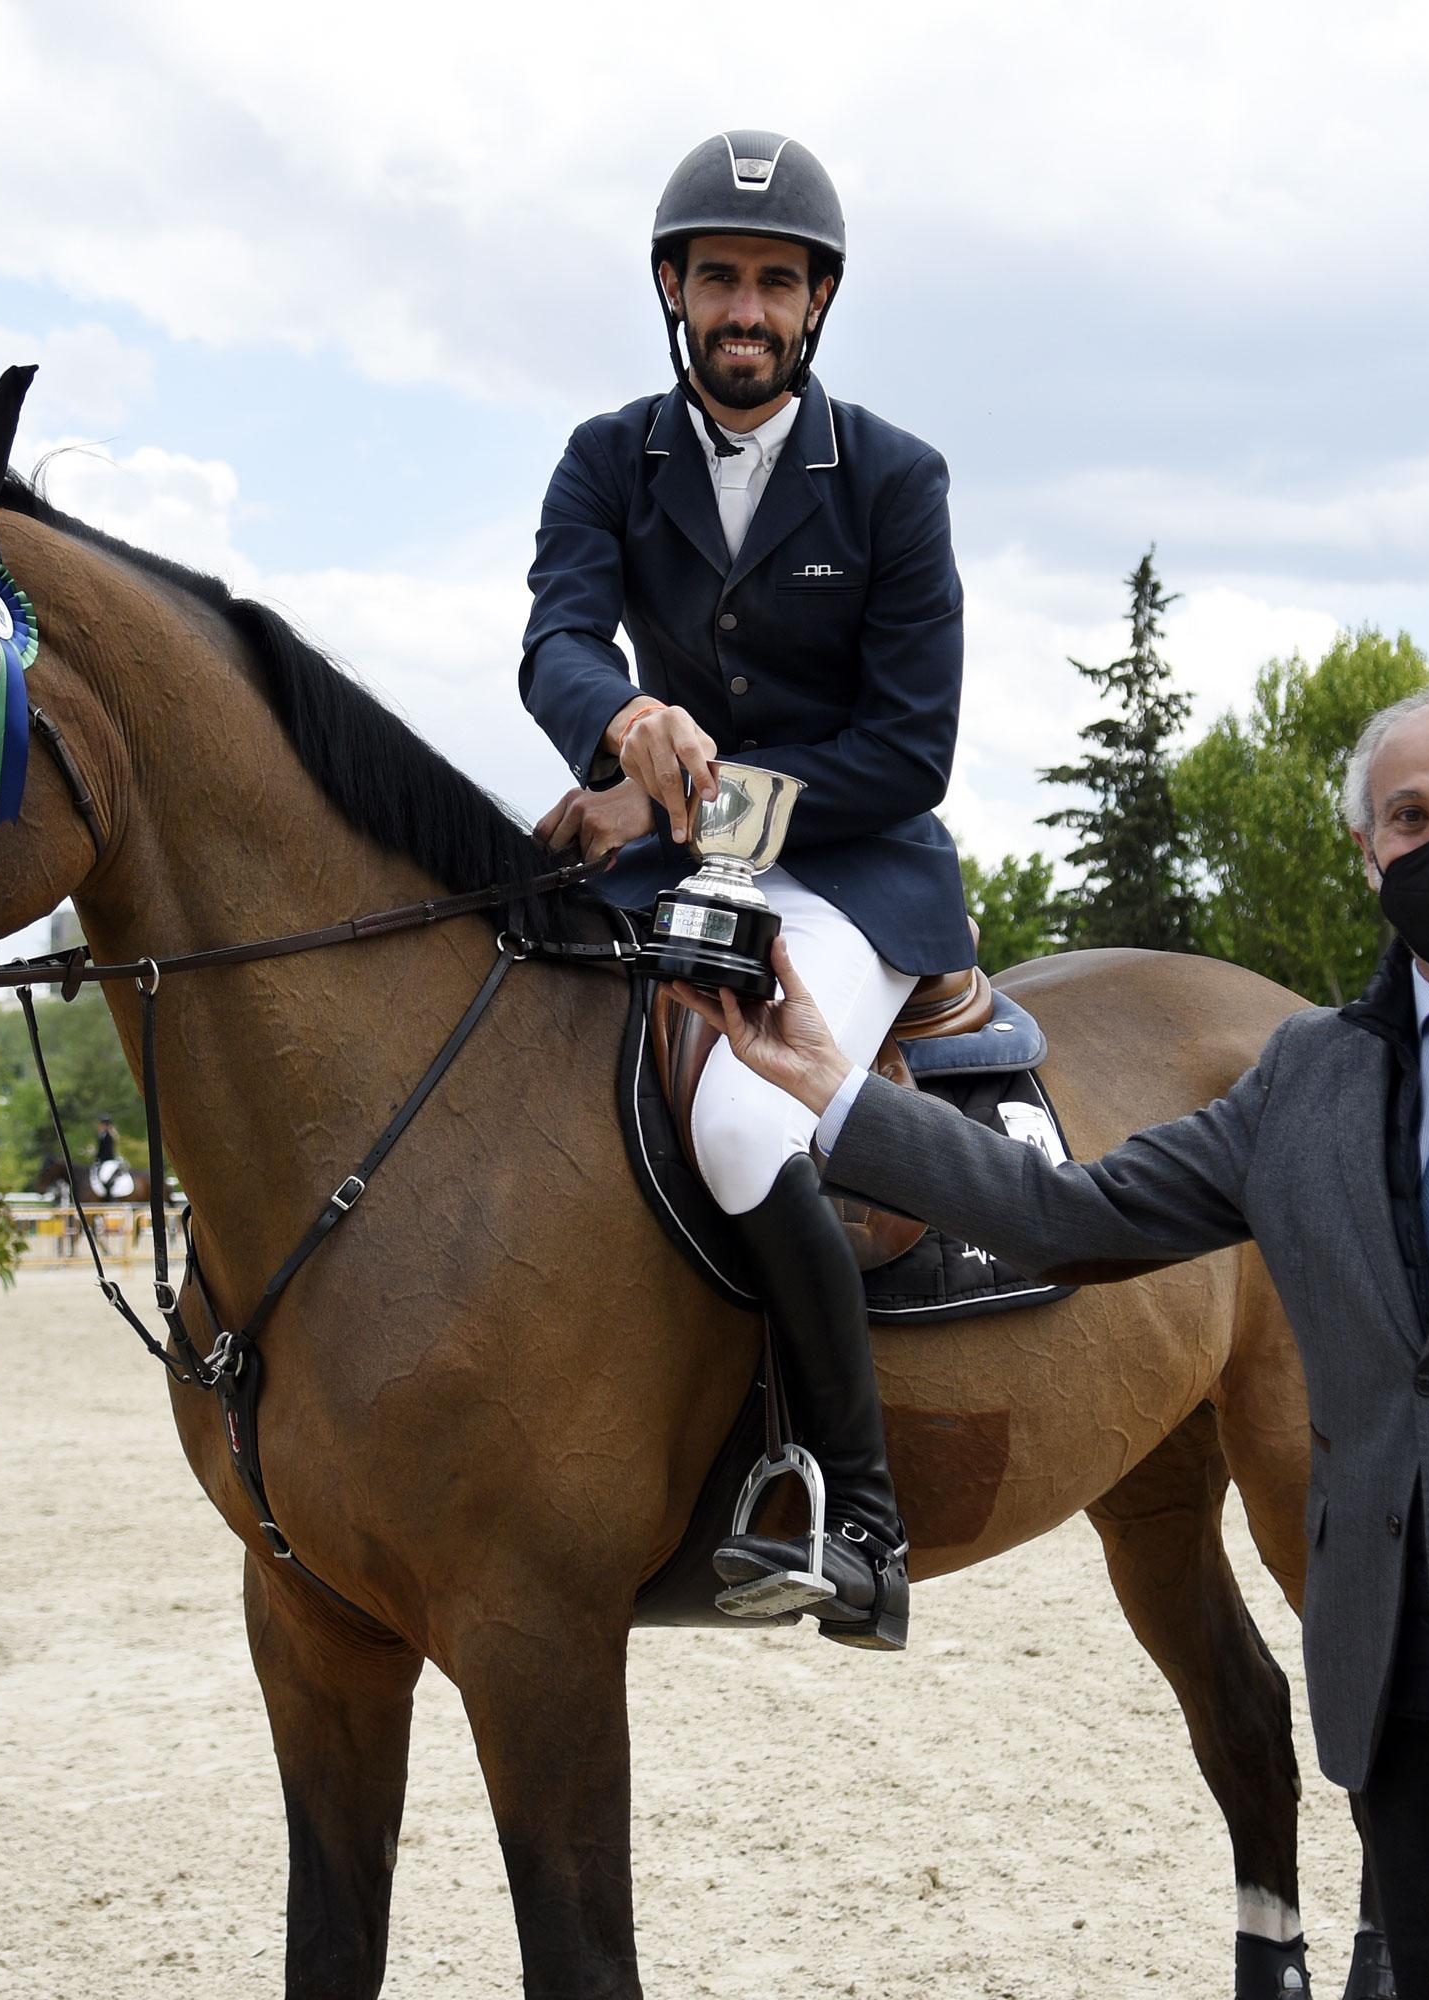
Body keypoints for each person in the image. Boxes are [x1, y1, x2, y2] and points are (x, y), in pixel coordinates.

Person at [689, 690, 1429, 1992]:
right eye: (1408, 818)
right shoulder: (1308, 1075)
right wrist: (830, 1090)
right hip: (1408, 1751)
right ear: (1366, 849)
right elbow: (1066, 1216)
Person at [519, 130, 972, 1649]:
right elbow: (557, 643)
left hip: (852, 869)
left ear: (818, 305)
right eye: (720, 276)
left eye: (778, 282)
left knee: (733, 1111)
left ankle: (864, 1518)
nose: (747, 308)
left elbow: (910, 751)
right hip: (670, 853)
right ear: (672, 287)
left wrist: (701, 798)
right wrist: (620, 726)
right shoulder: (607, 457)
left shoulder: (897, 481)